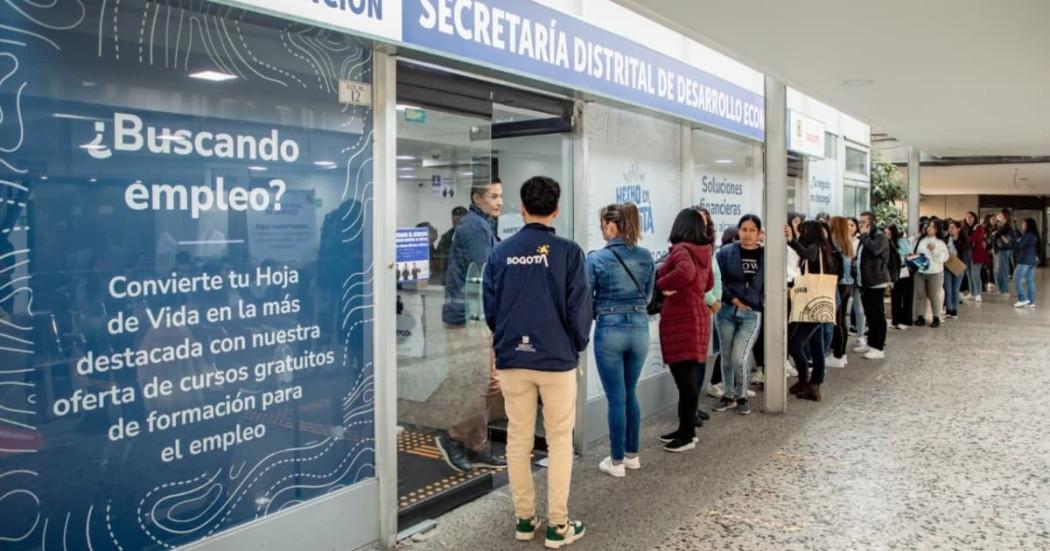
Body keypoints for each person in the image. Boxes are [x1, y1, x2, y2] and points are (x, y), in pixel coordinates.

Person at [483, 176, 590, 548]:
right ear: (556, 209)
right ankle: (558, 526)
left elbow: (490, 309)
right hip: (557, 359)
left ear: (522, 207)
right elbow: (580, 309)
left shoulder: (501, 252)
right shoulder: (569, 252)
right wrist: (575, 345)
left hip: (513, 358)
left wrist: (508, 340)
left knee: (518, 439)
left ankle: (525, 520)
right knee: (559, 440)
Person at [436, 179, 506, 473]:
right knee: (476, 382)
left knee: (487, 382)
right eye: (493, 196)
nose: (500, 201)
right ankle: (454, 438)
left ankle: (475, 443)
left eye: (501, 196)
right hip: (469, 318)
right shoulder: (475, 228)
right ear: (477, 198)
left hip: (476, 317)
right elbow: (488, 271)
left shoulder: (482, 225)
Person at [587, 203, 655, 476]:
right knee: (630, 393)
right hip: (639, 329)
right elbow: (649, 297)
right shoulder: (646, 256)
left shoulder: (596, 259)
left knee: (616, 398)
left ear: (612, 225)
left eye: (603, 224)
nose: (601, 229)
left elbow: (586, 298)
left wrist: (601, 311)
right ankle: (632, 455)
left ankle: (615, 462)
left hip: (610, 330)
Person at [656, 208, 715, 451]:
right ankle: (685, 428)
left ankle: (687, 434)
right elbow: (708, 282)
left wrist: (661, 284)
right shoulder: (704, 251)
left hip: (682, 317)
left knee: (685, 382)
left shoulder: (681, 250)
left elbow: (685, 273)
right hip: (698, 315)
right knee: (688, 379)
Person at [713, 215, 764, 415]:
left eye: (752, 230)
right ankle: (728, 394)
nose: (748, 234)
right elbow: (717, 280)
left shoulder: (766, 255)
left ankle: (741, 394)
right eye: (744, 229)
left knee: (738, 357)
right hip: (726, 310)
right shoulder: (726, 253)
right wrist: (733, 299)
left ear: (759, 233)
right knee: (726, 356)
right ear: (738, 231)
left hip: (751, 314)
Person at [786, 221, 839, 400]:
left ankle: (804, 381)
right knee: (816, 345)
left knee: (794, 343)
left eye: (802, 232)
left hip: (812, 303)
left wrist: (792, 241)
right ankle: (815, 384)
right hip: (819, 302)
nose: (800, 235)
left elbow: (807, 254)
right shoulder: (825, 249)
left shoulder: (815, 248)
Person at [855, 212, 891, 359]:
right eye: (860, 222)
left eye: (864, 222)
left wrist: (864, 236)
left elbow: (875, 250)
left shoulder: (879, 237)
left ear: (872, 223)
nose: (860, 225)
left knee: (877, 315)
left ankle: (878, 347)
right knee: (870, 314)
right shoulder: (865, 238)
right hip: (865, 282)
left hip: (876, 281)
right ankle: (871, 344)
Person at [827, 217, 855, 368]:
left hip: (838, 284)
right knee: (842, 319)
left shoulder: (835, 242)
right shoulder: (847, 241)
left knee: (837, 320)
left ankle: (837, 354)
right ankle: (842, 354)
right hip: (847, 284)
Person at [911, 219, 950, 328]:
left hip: (935, 272)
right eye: (928, 226)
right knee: (920, 294)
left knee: (934, 296)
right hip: (920, 271)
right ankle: (920, 316)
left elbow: (944, 257)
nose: (929, 228)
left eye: (932, 227)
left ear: (937, 229)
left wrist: (934, 251)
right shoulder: (921, 240)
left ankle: (936, 317)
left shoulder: (940, 242)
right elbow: (913, 251)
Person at [886, 225, 913, 330]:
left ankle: (905, 320)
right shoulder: (886, 243)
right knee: (895, 296)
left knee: (906, 296)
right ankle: (895, 319)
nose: (887, 235)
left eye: (888, 233)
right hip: (894, 272)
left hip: (905, 270)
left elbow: (909, 255)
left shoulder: (903, 242)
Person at [847, 217, 867, 352]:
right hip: (844, 278)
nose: (849, 228)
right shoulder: (839, 240)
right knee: (844, 309)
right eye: (847, 225)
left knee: (859, 308)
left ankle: (861, 335)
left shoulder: (860, 241)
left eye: (852, 225)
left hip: (856, 277)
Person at [433, 206, 468, 283]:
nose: (458, 225)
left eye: (461, 222)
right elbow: (439, 258)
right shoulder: (446, 238)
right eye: (455, 222)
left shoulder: (474, 236)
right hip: (449, 278)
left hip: (468, 278)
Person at [945, 221, 970, 319]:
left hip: (958, 267)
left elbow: (966, 255)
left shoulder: (963, 241)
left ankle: (955, 310)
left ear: (958, 229)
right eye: (949, 227)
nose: (950, 229)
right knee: (948, 289)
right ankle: (949, 308)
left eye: (953, 227)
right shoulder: (946, 239)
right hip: (947, 266)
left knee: (955, 289)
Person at [1013, 217, 1039, 309]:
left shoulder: (1028, 235)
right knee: (1030, 280)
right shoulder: (1034, 235)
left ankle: (1022, 299)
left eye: (1023, 224)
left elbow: (1020, 246)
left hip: (1025, 260)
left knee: (1017, 279)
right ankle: (1031, 302)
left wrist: (1015, 242)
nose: (1022, 225)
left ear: (1028, 225)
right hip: (1032, 261)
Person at [964, 212, 988, 303]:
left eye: (971, 217)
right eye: (967, 217)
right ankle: (972, 292)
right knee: (969, 273)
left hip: (977, 253)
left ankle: (978, 294)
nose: (969, 219)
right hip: (967, 253)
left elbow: (976, 239)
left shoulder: (979, 227)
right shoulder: (965, 228)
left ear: (974, 218)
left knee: (975, 274)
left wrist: (968, 238)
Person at [993, 208, 1016, 294]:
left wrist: (996, 234)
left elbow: (1000, 235)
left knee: (1002, 270)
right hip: (999, 249)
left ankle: (1004, 290)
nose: (999, 216)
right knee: (998, 270)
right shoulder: (1002, 225)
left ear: (1005, 216)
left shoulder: (1007, 226)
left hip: (1003, 249)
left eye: (1001, 215)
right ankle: (1000, 289)